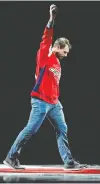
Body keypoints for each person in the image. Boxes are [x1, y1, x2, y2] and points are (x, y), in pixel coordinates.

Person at [3, 4, 87, 169]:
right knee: (31, 129)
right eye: (65, 51)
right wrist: (51, 19)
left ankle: (68, 161)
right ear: (57, 47)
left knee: (62, 128)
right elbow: (46, 37)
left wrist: (56, 99)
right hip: (40, 101)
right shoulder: (45, 55)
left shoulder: (57, 62)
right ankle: (11, 157)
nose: (66, 54)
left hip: (54, 102)